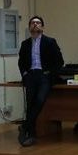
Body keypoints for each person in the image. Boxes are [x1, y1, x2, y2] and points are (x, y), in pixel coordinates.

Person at [17, 15, 64, 146]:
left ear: (42, 27)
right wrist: (25, 74)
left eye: (38, 23)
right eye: (33, 23)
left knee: (39, 100)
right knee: (30, 103)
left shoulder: (50, 42)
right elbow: (21, 62)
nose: (35, 24)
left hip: (44, 76)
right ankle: (31, 134)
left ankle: (25, 126)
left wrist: (50, 73)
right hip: (31, 75)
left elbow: (59, 61)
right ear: (29, 27)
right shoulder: (25, 44)